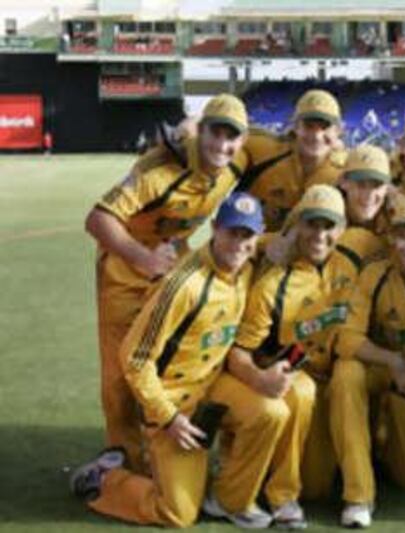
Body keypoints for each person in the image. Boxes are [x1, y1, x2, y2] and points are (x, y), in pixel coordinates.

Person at [70, 193, 279, 529]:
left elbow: (285, 242)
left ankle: (229, 500)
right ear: (214, 229)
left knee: (270, 412)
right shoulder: (183, 285)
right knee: (178, 514)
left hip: (213, 389)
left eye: (248, 235)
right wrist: (168, 418)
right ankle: (106, 479)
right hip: (175, 406)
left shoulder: (247, 268)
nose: (239, 244)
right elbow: (135, 359)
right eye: (232, 233)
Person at [84, 94, 249, 471]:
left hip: (171, 268)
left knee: (173, 355)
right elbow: (97, 220)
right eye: (214, 133)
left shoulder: (236, 162)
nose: (222, 145)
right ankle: (121, 454)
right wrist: (144, 259)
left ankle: (165, 435)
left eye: (232, 137)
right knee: (120, 368)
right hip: (124, 273)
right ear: (202, 131)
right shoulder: (159, 169)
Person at [226, 184, 354, 529]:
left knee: (324, 483)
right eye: (311, 224)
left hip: (339, 380)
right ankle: (283, 493)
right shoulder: (273, 283)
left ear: (342, 229)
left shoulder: (353, 265)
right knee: (301, 392)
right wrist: (259, 379)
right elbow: (239, 352)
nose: (319, 235)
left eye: (328, 226)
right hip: (292, 382)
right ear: (296, 225)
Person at [331, 196, 405, 528]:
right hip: (385, 367)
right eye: (401, 235)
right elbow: (346, 339)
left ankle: (401, 445)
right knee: (346, 372)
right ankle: (358, 494)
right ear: (390, 236)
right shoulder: (375, 273)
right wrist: (394, 361)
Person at [237, 89, 348, 230]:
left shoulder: (347, 170)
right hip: (246, 243)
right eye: (309, 126)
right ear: (295, 126)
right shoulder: (264, 151)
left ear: (338, 131)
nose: (316, 135)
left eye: (325, 127)